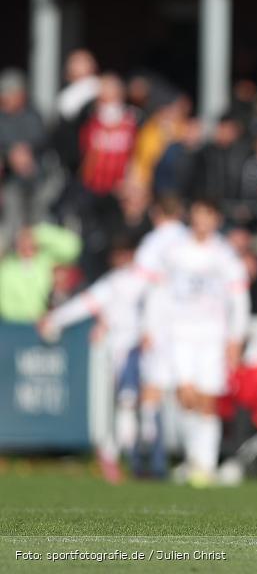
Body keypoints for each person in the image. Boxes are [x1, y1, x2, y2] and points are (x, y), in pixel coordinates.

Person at [154, 198, 250, 486]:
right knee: (185, 395)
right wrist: (155, 328)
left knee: (207, 399)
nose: (201, 221)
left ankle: (204, 464)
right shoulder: (174, 251)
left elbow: (239, 299)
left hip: (211, 336)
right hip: (180, 333)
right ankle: (193, 458)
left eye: (207, 215)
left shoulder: (224, 255)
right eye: (197, 215)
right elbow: (160, 292)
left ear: (216, 220)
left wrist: (235, 338)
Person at [38, 235, 144, 483]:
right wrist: (54, 320)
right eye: (119, 254)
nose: (124, 260)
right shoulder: (113, 283)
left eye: (127, 254)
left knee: (140, 404)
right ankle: (118, 455)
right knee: (125, 402)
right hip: (124, 349)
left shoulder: (149, 279)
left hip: (149, 348)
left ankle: (136, 455)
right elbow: (82, 306)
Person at [133, 195, 189, 478]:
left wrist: (142, 325)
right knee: (186, 390)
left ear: (157, 213)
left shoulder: (153, 242)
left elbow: (139, 285)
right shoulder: (190, 238)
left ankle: (149, 451)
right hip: (189, 325)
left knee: (153, 390)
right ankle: (192, 459)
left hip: (159, 322)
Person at [0, 223, 81, 323]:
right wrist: (28, 317)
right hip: (14, 326)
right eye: (22, 239)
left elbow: (72, 247)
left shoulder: (43, 261)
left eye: (29, 238)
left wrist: (40, 233)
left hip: (39, 324)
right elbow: (5, 303)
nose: (26, 243)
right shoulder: (6, 268)